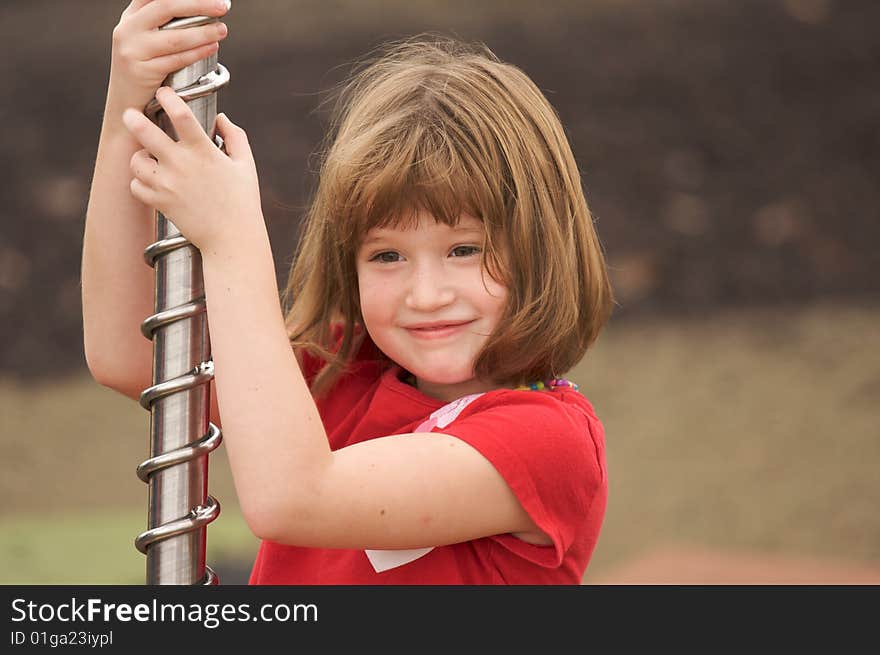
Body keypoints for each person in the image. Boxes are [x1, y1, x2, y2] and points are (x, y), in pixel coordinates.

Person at [82, 0, 614, 584]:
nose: (427, 294)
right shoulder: (340, 371)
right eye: (387, 256)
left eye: (465, 250)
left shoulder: (546, 441)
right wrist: (125, 113)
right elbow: (130, 355)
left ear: (540, 246)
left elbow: (293, 498)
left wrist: (232, 238)